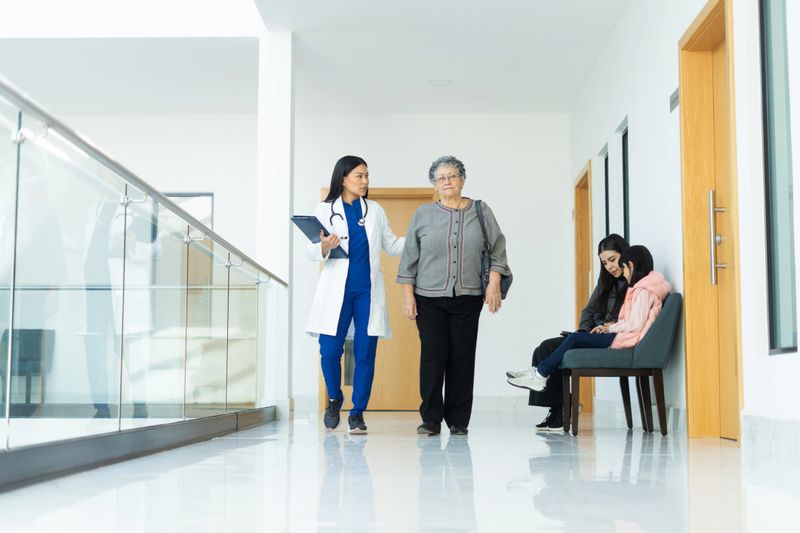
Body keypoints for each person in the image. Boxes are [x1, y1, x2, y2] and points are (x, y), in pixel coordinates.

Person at [397, 155, 511, 436]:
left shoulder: (481, 211)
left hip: (469, 296)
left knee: (462, 358)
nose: (447, 181)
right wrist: (408, 296)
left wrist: (494, 282)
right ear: (434, 185)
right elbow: (409, 258)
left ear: (462, 179)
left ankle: (459, 421)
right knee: (434, 357)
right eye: (441, 178)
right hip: (428, 297)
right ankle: (431, 419)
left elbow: (497, 250)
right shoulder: (423, 215)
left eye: (452, 176)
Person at [306, 155, 405, 435]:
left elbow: (393, 245)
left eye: (367, 176)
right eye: (359, 176)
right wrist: (324, 246)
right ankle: (335, 398)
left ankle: (358, 412)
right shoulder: (325, 209)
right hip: (336, 292)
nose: (365, 181)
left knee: (364, 353)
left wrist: (421, 238)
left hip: (367, 291)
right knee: (329, 351)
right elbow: (311, 251)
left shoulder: (374, 210)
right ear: (343, 178)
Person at [506, 234, 630, 430]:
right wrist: (584, 331)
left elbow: (629, 319)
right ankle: (560, 409)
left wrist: (606, 326)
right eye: (605, 263)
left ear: (625, 254)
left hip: (612, 336)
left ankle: (558, 402)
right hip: (593, 334)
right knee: (545, 348)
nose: (609, 266)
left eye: (613, 260)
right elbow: (589, 310)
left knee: (554, 348)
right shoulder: (605, 283)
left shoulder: (634, 284)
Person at [507, 245, 671, 392]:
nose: (620, 271)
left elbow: (635, 324)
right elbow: (594, 311)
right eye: (605, 263)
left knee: (574, 338)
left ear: (631, 266)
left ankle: (540, 374)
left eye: (621, 266)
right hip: (622, 335)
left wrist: (610, 328)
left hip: (624, 338)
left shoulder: (642, 291)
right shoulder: (643, 289)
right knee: (573, 338)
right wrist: (608, 327)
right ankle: (538, 373)